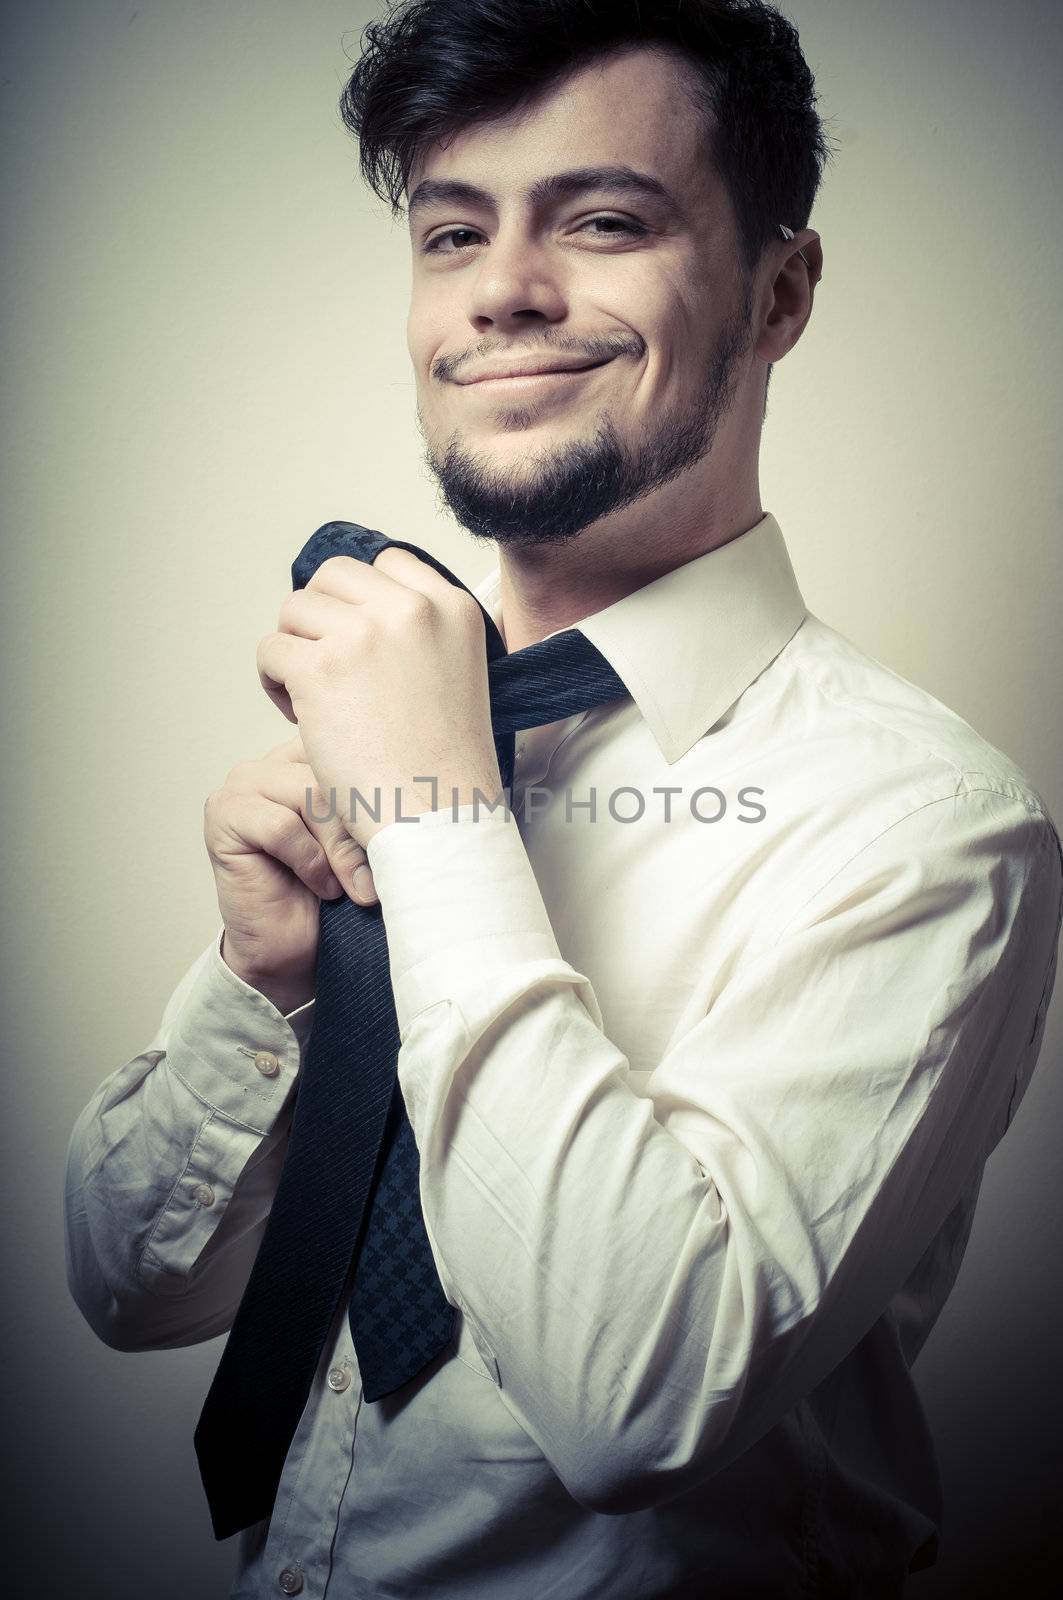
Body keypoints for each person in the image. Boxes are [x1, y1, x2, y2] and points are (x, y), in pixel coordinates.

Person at [64, 2, 1062, 1596]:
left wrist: (443, 818)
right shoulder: (392, 724)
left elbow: (636, 1405)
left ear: (781, 290)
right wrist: (264, 986)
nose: (507, 292)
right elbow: (127, 1288)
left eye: (603, 220)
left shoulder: (932, 824)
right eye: (454, 232)